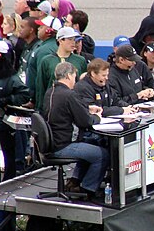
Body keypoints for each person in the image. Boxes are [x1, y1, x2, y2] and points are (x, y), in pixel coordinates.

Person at [42, 62, 107, 200]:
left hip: (51, 143)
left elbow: (66, 110)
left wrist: (88, 110)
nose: (75, 80)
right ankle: (88, 189)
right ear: (69, 75)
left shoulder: (50, 92)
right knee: (102, 154)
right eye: (74, 76)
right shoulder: (69, 95)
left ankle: (75, 181)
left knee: (89, 144)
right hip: (62, 145)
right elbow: (85, 122)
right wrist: (96, 117)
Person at [0, 39, 32, 182]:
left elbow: (24, 94)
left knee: (9, 153)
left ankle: (9, 180)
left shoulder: (13, 78)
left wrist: (7, 100)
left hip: (5, 123)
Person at [35, 26, 87, 107]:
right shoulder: (47, 61)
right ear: (60, 40)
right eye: (70, 39)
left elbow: (83, 85)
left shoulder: (80, 61)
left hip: (75, 105)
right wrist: (40, 108)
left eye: (74, 39)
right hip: (52, 104)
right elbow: (41, 87)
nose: (73, 43)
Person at [26, 16, 64, 108]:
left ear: (49, 31)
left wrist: (35, 101)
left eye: (42, 27)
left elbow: (40, 78)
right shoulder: (43, 45)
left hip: (39, 100)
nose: (38, 29)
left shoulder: (45, 50)